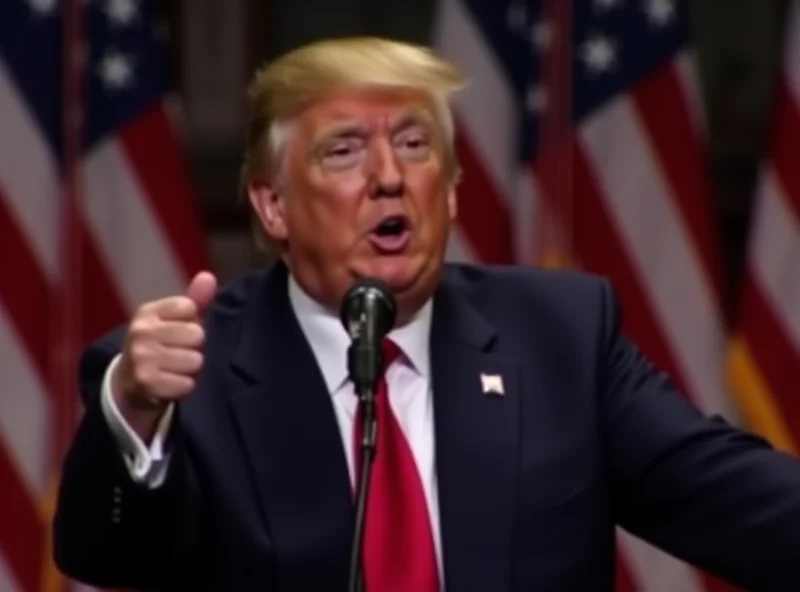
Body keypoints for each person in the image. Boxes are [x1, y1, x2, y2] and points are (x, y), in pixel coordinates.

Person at [53, 36, 800, 592]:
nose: (387, 177)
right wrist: (135, 409)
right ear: (272, 204)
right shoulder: (191, 375)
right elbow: (103, 554)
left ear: (447, 190)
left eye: (413, 144)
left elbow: (735, 501)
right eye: (344, 152)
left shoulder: (561, 337)